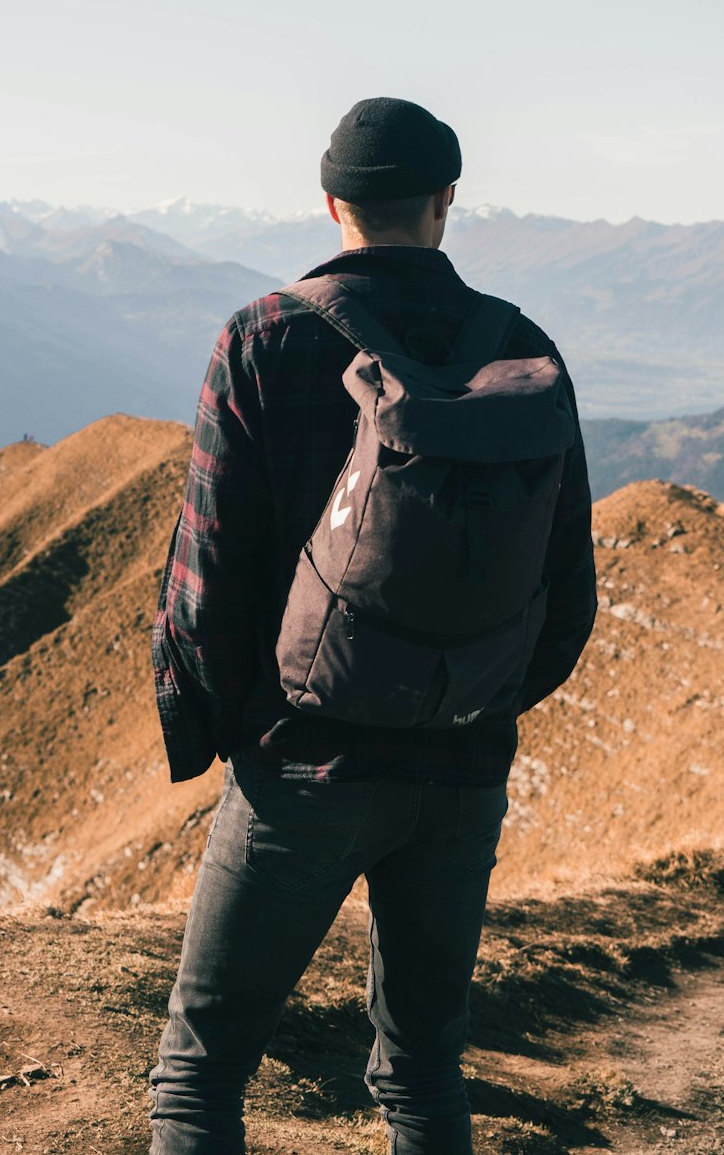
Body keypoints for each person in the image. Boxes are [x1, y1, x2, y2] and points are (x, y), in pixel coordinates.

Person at [149, 96, 597, 1155]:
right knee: (425, 1075)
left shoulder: (262, 337)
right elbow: (564, 593)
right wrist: (466, 698)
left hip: (300, 759)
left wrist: (235, 730)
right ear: (445, 203)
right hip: (460, 768)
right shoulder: (524, 350)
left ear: (329, 204)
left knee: (200, 1078)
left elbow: (205, 583)